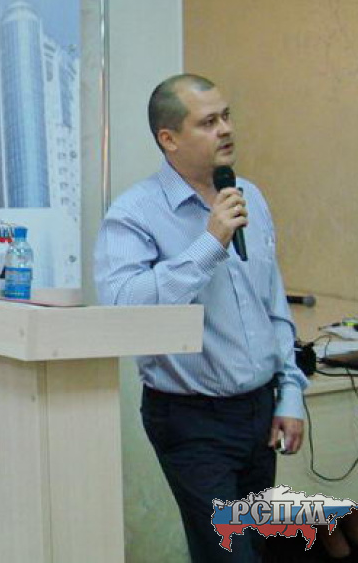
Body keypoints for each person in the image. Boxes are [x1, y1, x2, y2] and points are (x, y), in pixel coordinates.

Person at [94, 74, 308, 562]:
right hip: (191, 420)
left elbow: (272, 306)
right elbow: (121, 306)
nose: (226, 130)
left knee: (261, 550)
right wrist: (210, 244)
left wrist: (290, 392)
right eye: (208, 122)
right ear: (169, 139)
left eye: (226, 116)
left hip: (259, 412)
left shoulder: (248, 196)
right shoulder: (134, 213)